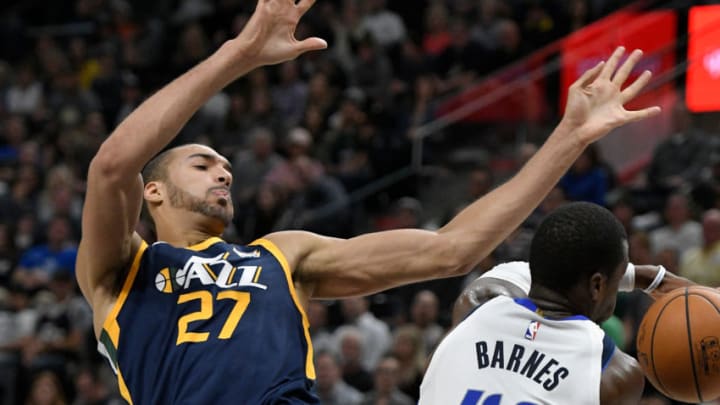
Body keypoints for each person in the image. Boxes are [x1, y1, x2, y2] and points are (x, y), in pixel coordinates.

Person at [74, 0, 660, 402]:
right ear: (152, 191)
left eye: (226, 165)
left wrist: (569, 137)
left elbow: (453, 250)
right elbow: (111, 164)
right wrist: (240, 53)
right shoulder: (124, 269)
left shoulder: (281, 255)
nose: (223, 173)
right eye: (202, 164)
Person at [419, 202, 693, 405]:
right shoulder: (614, 375)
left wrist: (641, 276)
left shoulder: (476, 303)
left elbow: (527, 268)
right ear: (597, 285)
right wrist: (656, 279)